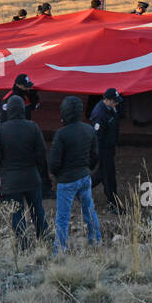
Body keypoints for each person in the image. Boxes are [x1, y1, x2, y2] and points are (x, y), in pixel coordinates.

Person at [0, 95, 49, 249]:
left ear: (8, 110)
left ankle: (23, 246)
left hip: (11, 179)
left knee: (17, 214)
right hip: (31, 176)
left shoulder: (1, 130)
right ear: (23, 109)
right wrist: (34, 166)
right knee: (38, 210)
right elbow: (41, 153)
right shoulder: (33, 127)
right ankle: (45, 242)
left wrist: (4, 170)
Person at [49, 95, 101, 253]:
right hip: (84, 176)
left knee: (63, 217)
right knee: (89, 210)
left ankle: (60, 250)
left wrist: (58, 175)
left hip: (66, 180)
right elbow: (95, 156)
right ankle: (96, 242)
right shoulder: (89, 130)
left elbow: (54, 163)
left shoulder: (61, 134)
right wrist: (86, 168)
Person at [90, 87, 124, 212]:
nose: (117, 103)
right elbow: (97, 138)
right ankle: (113, 204)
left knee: (101, 175)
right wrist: (98, 154)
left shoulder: (110, 109)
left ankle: (80, 190)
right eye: (115, 101)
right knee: (109, 177)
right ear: (107, 100)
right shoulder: (99, 114)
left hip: (109, 148)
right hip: (103, 150)